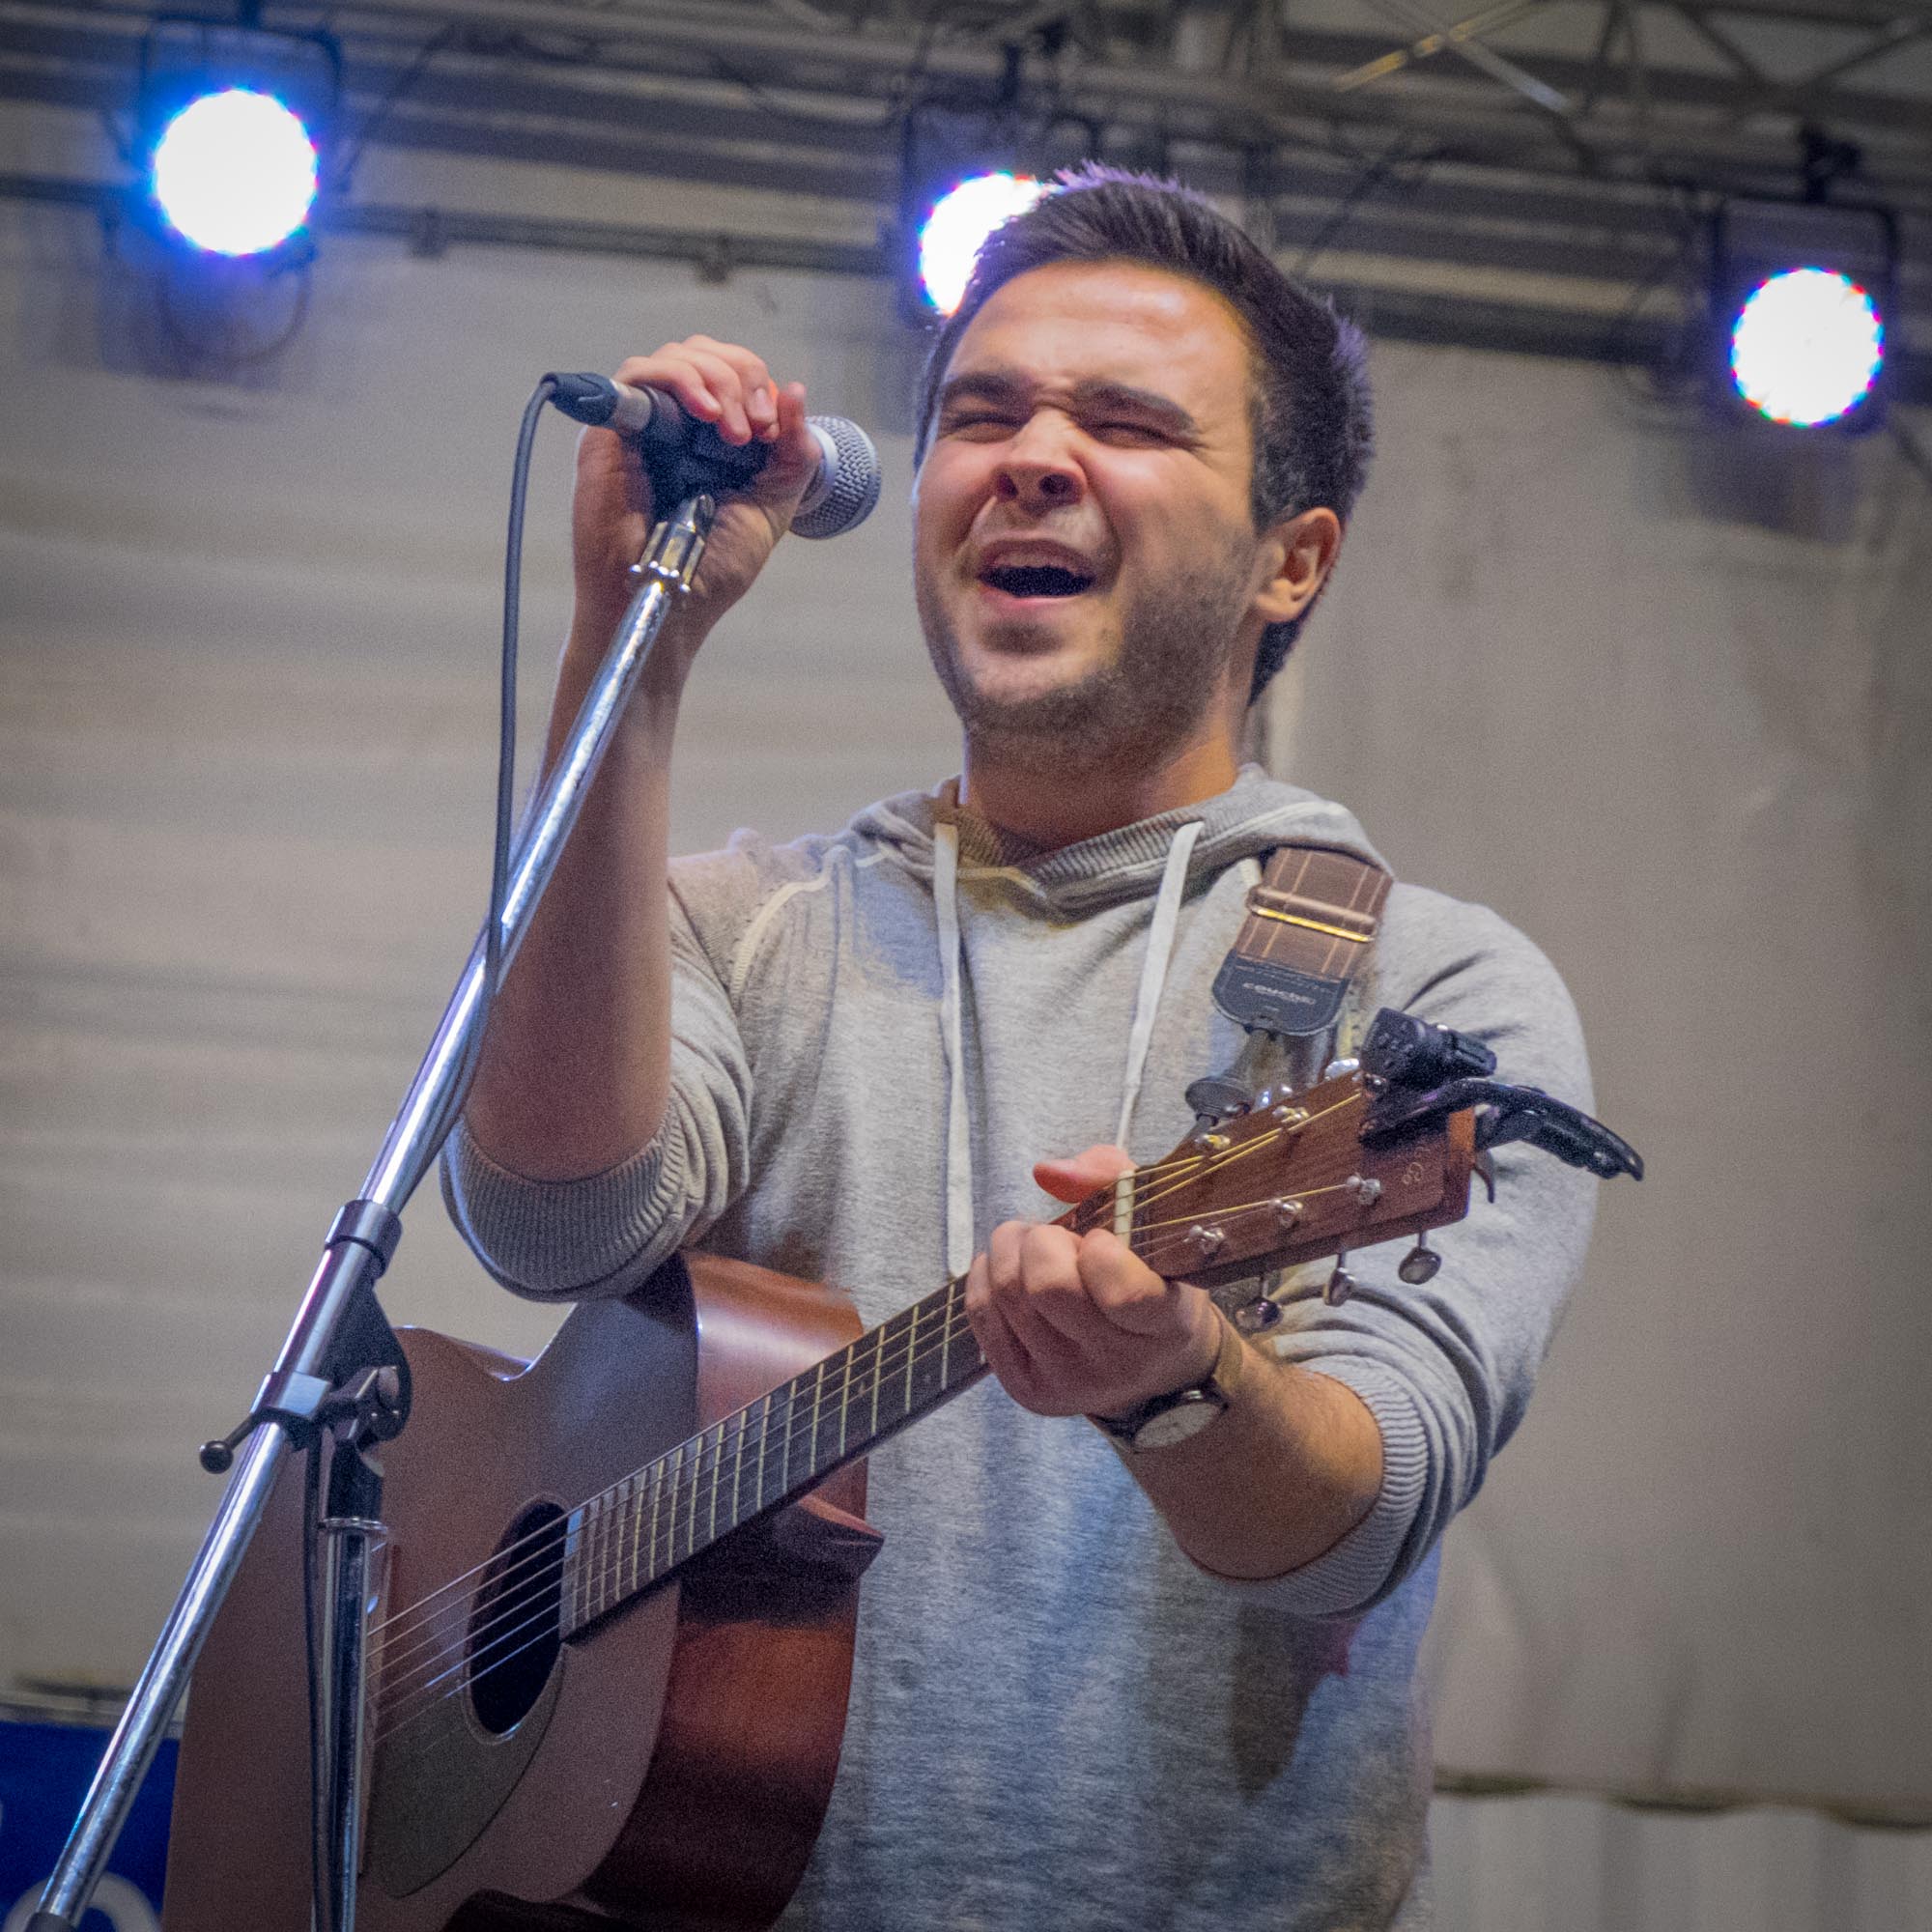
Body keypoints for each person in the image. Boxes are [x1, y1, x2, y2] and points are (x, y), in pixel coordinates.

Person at [446, 168, 1597, 1930]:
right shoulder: (736, 923)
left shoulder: (1436, 996)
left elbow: (1361, 1520)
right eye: (982, 415)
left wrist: (1175, 1382)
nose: (1032, 457)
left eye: (1128, 423)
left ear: (1296, 556)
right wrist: (636, 640)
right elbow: (546, 1225)